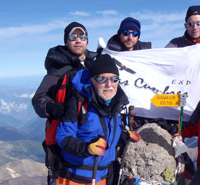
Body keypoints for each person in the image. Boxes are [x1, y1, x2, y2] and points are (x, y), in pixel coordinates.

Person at [55, 54, 139, 185]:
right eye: (102, 79)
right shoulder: (79, 102)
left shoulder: (115, 106)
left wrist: (123, 135)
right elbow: (63, 136)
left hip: (102, 177)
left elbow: (107, 130)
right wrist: (86, 148)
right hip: (74, 178)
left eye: (114, 79)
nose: (109, 84)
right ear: (92, 80)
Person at [32, 22, 98, 185]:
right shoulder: (58, 69)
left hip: (90, 136)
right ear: (66, 41)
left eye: (82, 37)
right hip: (63, 139)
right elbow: (38, 99)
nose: (78, 40)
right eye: (73, 37)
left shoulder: (95, 65)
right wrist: (54, 108)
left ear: (87, 41)